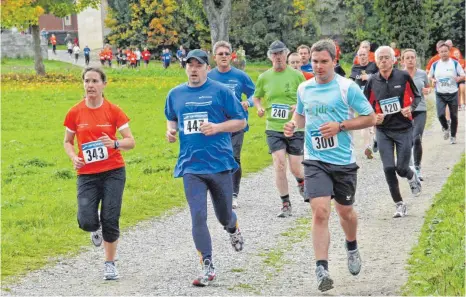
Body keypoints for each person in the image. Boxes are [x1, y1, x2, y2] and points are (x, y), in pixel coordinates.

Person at [284, 38, 376, 293]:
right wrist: (293, 124)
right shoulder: (304, 88)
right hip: (314, 159)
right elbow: (301, 116)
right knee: (320, 211)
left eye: (324, 61)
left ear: (334, 61)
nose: (319, 66)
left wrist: (341, 126)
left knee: (345, 212)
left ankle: (352, 245)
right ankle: (321, 268)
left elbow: (369, 118)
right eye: (315, 61)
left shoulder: (348, 88)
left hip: (343, 161)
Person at [164, 49, 245, 287]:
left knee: (223, 216)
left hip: (219, 164)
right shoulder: (175, 94)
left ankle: (233, 227)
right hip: (191, 165)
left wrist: (217, 127)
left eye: (198, 65)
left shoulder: (221, 92)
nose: (193, 69)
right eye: (190, 65)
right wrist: (170, 131)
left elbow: (241, 121)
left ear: (206, 69)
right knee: (198, 215)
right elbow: (172, 118)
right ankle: (207, 265)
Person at [63, 67, 135, 280]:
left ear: (104, 84)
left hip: (113, 171)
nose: (90, 85)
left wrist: (114, 143)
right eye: (87, 81)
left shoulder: (114, 111)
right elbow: (67, 141)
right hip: (86, 174)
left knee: (110, 218)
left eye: (95, 81)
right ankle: (95, 228)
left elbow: (130, 141)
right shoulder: (75, 112)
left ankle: (110, 263)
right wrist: (73, 157)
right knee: (86, 221)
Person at [364, 45, 423, 218]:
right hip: (383, 130)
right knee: (388, 168)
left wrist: (410, 108)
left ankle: (412, 175)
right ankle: (399, 204)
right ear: (376, 61)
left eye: (386, 57)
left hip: (404, 128)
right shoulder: (372, 81)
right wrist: (375, 116)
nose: (383, 61)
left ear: (393, 60)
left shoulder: (403, 76)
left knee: (401, 168)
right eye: (380, 58)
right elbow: (365, 104)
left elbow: (417, 96)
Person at [253, 40, 306, 217]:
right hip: (274, 127)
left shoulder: (297, 75)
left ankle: (301, 182)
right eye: (274, 54)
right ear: (270, 57)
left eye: (280, 53)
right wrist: (259, 107)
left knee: (296, 167)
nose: (277, 57)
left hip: (294, 126)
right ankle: (285, 203)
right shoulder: (264, 77)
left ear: (286, 55)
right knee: (279, 164)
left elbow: (305, 98)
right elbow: (257, 97)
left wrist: (297, 107)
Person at [207, 41, 256, 209]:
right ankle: (219, 192)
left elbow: (254, 95)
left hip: (236, 123)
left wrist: (247, 103)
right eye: (220, 54)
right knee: (216, 158)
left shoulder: (240, 76)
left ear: (231, 56)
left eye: (226, 54)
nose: (223, 56)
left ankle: (234, 194)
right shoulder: (209, 76)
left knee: (234, 157)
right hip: (216, 126)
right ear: (215, 57)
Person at [401, 49, 431, 181]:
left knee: (417, 138)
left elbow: (428, 87)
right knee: (407, 141)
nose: (410, 60)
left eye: (412, 57)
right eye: (407, 58)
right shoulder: (399, 75)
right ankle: (409, 166)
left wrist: (427, 90)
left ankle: (417, 168)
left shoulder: (422, 73)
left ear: (415, 59)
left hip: (420, 109)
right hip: (405, 111)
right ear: (402, 61)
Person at [428, 40, 465, 144]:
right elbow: (429, 76)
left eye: (445, 51)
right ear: (438, 53)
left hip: (453, 93)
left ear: (449, 52)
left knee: (454, 116)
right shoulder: (435, 65)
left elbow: (463, 75)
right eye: (441, 52)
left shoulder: (455, 63)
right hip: (440, 93)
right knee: (440, 115)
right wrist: (433, 80)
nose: (443, 53)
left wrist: (459, 78)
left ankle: (453, 136)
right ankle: (445, 127)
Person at [349, 47, 379, 159]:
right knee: (364, 123)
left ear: (368, 55)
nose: (362, 57)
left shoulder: (374, 65)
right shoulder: (355, 68)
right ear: (357, 56)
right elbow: (351, 81)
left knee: (375, 121)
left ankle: (376, 139)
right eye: (360, 55)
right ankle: (368, 147)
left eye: (364, 54)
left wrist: (370, 77)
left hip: (373, 97)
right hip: (361, 100)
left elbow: (380, 76)